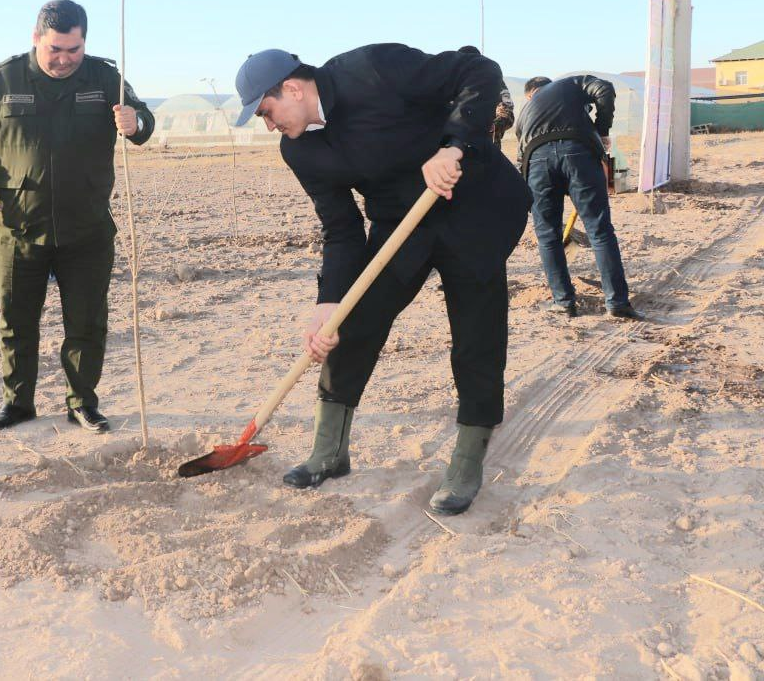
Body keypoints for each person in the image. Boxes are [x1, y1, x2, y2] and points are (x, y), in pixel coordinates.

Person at [233, 45, 530, 515]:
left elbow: (479, 70)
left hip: (473, 206)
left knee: (476, 335)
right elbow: (341, 228)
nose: (269, 126)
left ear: (291, 88)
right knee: (351, 323)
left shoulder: (371, 70)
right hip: (401, 226)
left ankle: (467, 461)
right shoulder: (301, 150)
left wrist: (452, 146)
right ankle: (329, 451)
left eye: (267, 112)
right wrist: (328, 302)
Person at [0, 0, 155, 434]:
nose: (64, 60)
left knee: (87, 323)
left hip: (87, 229)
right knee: (16, 322)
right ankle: (17, 404)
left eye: (74, 50)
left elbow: (146, 122)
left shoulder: (105, 78)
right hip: (17, 229)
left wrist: (135, 123)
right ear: (36, 40)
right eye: (55, 50)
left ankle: (82, 402)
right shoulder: (4, 79)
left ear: (84, 43)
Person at [514, 75, 642, 320]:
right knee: (599, 230)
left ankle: (563, 303)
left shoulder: (525, 112)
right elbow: (604, 88)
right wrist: (602, 129)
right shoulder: (570, 84)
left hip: (537, 161)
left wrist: (528, 197)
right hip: (578, 153)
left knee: (547, 236)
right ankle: (617, 303)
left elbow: (522, 159)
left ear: (531, 94)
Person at [458, 45, 514, 145]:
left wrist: (492, 125)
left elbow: (506, 113)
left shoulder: (493, 81)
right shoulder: (450, 82)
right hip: (450, 148)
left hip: (484, 145)